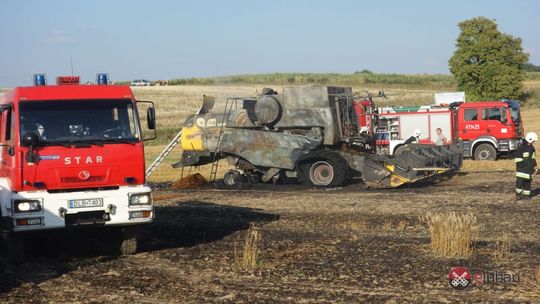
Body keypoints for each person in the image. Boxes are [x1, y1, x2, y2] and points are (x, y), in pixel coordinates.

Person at [515, 132, 538, 200]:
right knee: (520, 183)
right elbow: (518, 159)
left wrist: (534, 166)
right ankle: (518, 195)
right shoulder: (521, 148)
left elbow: (533, 158)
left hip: (529, 170)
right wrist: (523, 166)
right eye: (533, 140)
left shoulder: (532, 148)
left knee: (527, 184)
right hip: (521, 170)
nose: (534, 142)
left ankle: (526, 195)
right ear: (530, 139)